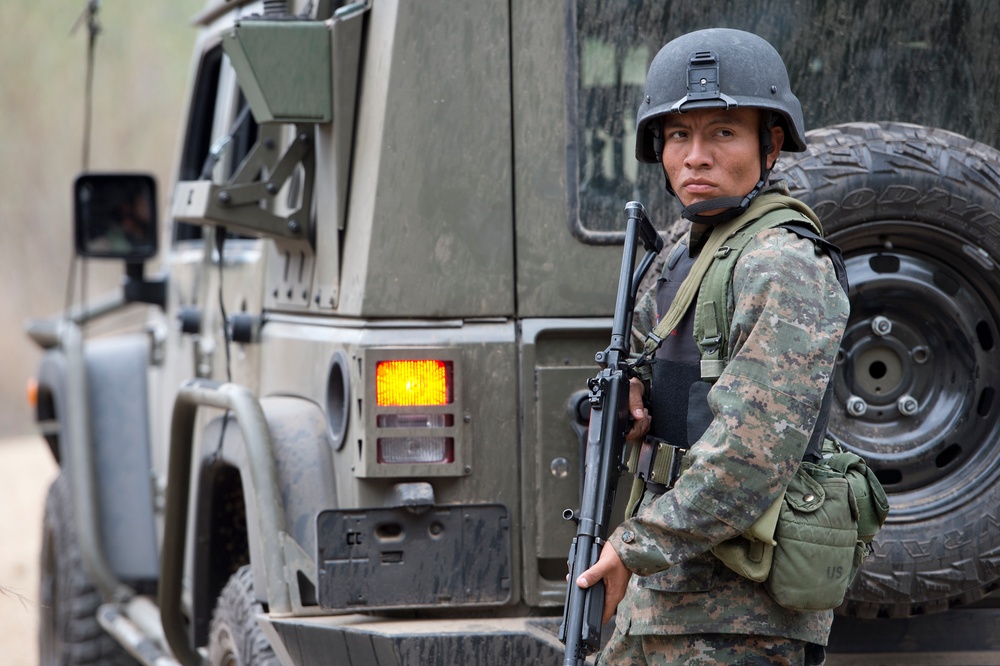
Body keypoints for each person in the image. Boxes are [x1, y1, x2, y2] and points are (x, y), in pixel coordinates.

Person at [574, 28, 850, 665]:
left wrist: (633, 546)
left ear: (769, 143)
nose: (695, 157)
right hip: (660, 598)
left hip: (741, 618)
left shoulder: (783, 264)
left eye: (723, 133)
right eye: (678, 135)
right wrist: (619, 400)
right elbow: (646, 372)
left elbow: (751, 457)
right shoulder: (681, 253)